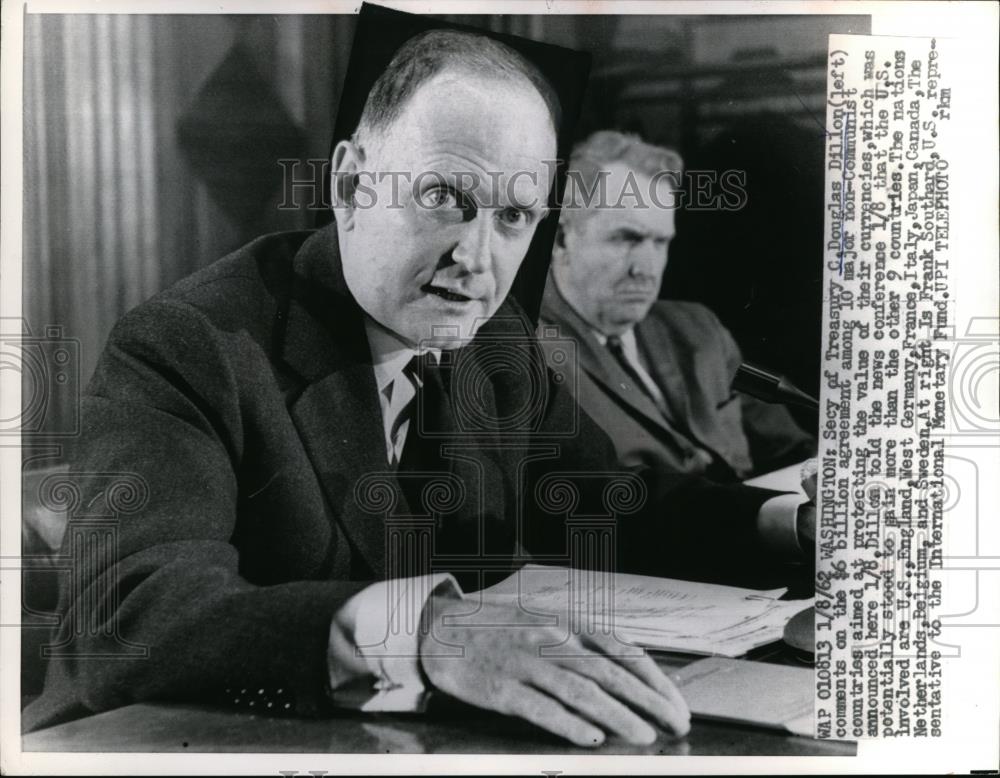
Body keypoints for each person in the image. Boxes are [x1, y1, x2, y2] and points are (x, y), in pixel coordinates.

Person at [24, 29, 813, 747]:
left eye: (513, 217)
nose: (476, 258)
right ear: (350, 184)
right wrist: (432, 632)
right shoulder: (190, 345)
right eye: (444, 198)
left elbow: (602, 502)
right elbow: (126, 612)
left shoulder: (495, 340)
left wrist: (797, 526)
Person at [540, 130, 816, 482]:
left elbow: (790, 447)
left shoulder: (699, 329)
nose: (647, 268)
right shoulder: (525, 352)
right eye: (628, 238)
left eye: (660, 242)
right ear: (561, 238)